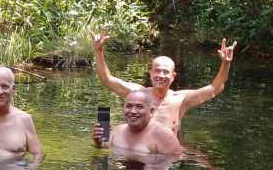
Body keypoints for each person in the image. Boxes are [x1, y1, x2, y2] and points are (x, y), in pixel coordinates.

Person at [91, 29, 237, 134]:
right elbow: (107, 80)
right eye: (157, 71)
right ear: (150, 73)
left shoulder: (181, 99)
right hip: (138, 149)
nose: (161, 75)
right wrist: (99, 51)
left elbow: (215, 89)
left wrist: (226, 63)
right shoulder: (138, 94)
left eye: (166, 72)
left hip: (165, 157)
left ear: (173, 76)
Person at [93, 90, 181, 155]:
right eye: (129, 106)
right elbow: (103, 156)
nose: (133, 111)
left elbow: (172, 167)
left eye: (139, 106)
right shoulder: (116, 131)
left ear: (151, 111)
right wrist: (98, 143)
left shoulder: (164, 135)